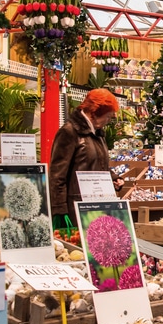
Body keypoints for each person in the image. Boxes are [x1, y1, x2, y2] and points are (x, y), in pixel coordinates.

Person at [49, 88, 123, 229]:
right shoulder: (69, 132)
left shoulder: (98, 133)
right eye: (107, 116)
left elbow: (99, 164)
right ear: (94, 113)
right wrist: (59, 210)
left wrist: (113, 177)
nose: (108, 121)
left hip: (97, 204)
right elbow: (57, 175)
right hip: (76, 209)